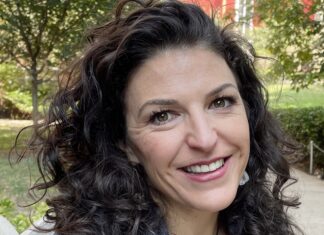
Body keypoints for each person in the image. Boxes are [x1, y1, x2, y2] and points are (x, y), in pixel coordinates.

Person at [16, 0, 303, 234]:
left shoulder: (268, 226)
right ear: (124, 143)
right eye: (163, 116)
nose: (204, 138)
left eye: (220, 101)